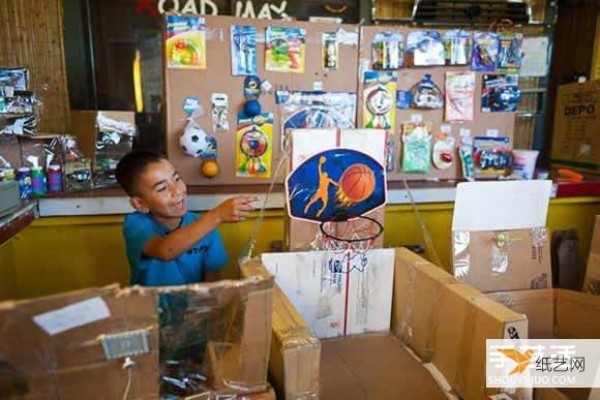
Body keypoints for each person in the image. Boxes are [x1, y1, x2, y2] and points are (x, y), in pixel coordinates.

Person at [115, 150, 256, 286]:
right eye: (162, 188)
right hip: (150, 309)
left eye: (176, 179)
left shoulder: (205, 226)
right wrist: (217, 215)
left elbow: (213, 282)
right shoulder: (137, 225)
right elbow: (164, 251)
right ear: (141, 204)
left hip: (194, 308)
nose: (176, 190)